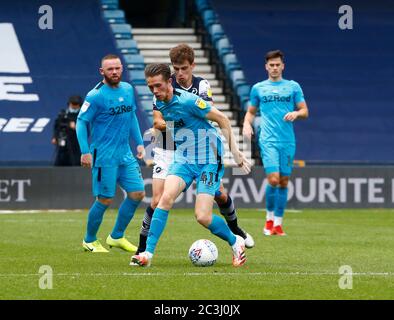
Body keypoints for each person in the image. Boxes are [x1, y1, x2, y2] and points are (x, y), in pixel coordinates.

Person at [135, 44, 254, 255]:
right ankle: (146, 251)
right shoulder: (160, 91)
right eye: (176, 69)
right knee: (162, 199)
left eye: (184, 69)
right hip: (179, 150)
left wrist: (235, 153)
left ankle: (234, 234)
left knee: (211, 207)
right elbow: (159, 121)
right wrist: (159, 128)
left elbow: (213, 117)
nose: (180, 74)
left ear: (192, 66)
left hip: (206, 152)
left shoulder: (198, 90)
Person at [76, 54, 145, 252]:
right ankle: (89, 240)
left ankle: (116, 236)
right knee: (105, 199)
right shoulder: (95, 95)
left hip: (125, 153)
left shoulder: (128, 89)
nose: (114, 72)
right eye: (110, 69)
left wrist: (139, 143)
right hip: (104, 155)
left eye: (117, 68)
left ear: (122, 68)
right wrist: (85, 151)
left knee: (137, 193)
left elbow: (131, 116)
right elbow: (81, 122)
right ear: (102, 72)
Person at [242, 50, 309, 236]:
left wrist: (296, 113)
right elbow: (251, 112)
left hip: (287, 140)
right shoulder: (258, 88)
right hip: (268, 139)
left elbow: (305, 111)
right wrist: (246, 124)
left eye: (277, 64)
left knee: (284, 181)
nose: (274, 68)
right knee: (273, 179)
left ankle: (278, 224)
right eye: (271, 65)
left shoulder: (293, 87)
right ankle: (269, 220)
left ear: (282, 66)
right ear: (266, 67)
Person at [52, 95, 83, 166]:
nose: (74, 106)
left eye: (76, 104)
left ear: (80, 105)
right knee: (60, 160)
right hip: (63, 141)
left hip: (75, 143)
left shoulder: (82, 116)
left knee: (75, 161)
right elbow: (57, 126)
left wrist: (77, 128)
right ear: (69, 104)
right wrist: (55, 137)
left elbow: (87, 130)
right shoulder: (63, 114)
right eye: (73, 104)